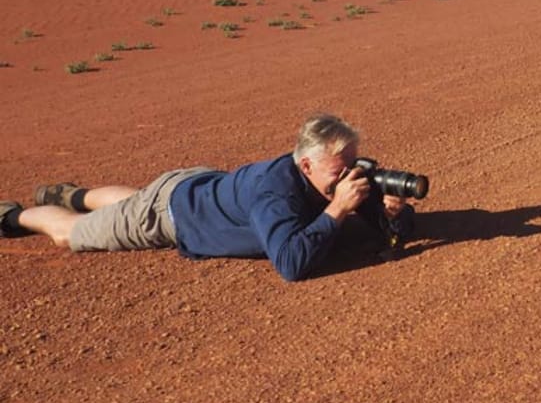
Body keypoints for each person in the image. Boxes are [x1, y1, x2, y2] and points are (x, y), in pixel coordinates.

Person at [0, 113, 414, 282]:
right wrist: (339, 209)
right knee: (70, 234)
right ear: (305, 166)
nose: (349, 176)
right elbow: (291, 264)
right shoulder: (278, 193)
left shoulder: (317, 179)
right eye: (338, 168)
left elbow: (388, 228)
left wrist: (389, 213)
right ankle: (16, 216)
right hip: (169, 215)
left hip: (194, 188)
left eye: (352, 164)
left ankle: (76, 193)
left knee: (136, 200)